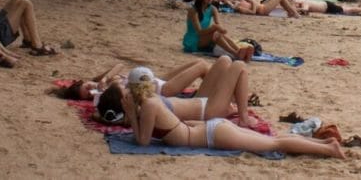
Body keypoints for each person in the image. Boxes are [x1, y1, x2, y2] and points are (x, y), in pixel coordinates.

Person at [120, 67, 345, 158]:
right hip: (211, 130)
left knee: (276, 144)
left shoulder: (149, 105)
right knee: (273, 141)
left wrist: (131, 114)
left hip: (212, 135)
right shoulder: (154, 100)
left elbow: (142, 141)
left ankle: (330, 151)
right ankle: (326, 146)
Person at [97, 59, 252, 128]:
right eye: (126, 92)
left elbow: (107, 115)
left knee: (224, 60)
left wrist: (102, 115)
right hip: (208, 111)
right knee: (239, 65)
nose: (129, 89)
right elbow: (122, 119)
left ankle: (229, 101)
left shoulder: (140, 104)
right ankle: (243, 118)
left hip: (199, 103)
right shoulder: (137, 111)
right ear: (124, 103)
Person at [53, 60, 210, 100]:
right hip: (161, 90)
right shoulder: (105, 96)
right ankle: (216, 94)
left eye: (87, 87)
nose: (91, 91)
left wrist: (105, 79)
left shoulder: (100, 81)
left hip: (156, 79)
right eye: (88, 95)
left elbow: (120, 65)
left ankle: (214, 93)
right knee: (202, 66)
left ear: (85, 81)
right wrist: (100, 93)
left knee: (197, 63)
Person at [182, 0, 253, 60]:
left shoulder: (212, 9)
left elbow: (218, 24)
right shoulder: (193, 11)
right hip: (193, 40)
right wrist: (214, 28)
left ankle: (238, 50)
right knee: (215, 33)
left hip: (204, 37)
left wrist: (220, 29)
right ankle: (235, 53)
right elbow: (199, 32)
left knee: (218, 34)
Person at [293, 0, 361, 16]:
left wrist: (297, 9)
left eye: (296, 3)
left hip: (327, 7)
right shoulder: (305, 1)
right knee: (345, 9)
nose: (296, 5)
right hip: (326, 5)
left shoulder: (304, 3)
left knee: (347, 10)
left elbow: (305, 10)